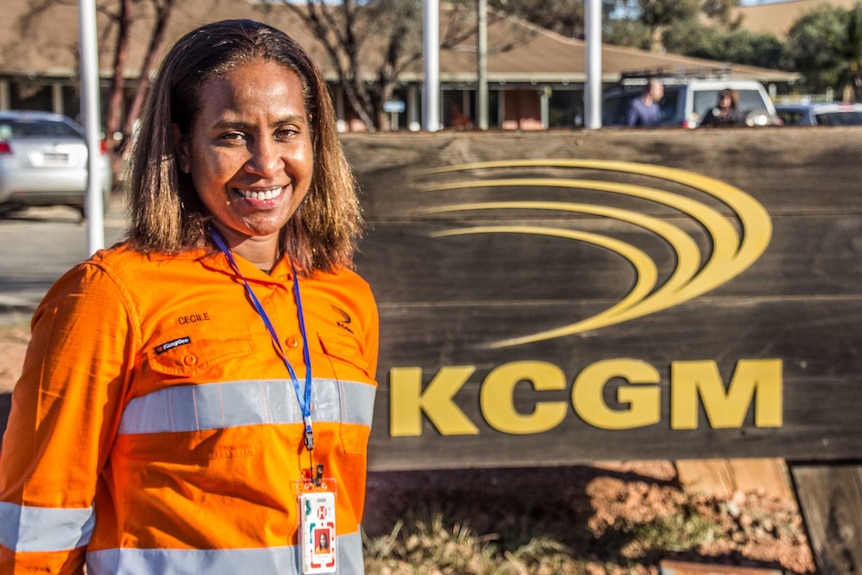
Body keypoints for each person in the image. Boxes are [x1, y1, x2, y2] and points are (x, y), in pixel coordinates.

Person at [0, 19, 379, 574]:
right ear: (181, 146)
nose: (267, 164)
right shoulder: (109, 295)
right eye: (232, 135)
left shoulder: (346, 297)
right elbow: (39, 515)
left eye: (287, 131)